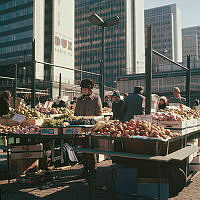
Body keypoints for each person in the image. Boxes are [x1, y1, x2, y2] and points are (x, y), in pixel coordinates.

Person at [74, 79, 102, 177]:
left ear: (90, 89)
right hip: (81, 128)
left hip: (91, 128)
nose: (84, 90)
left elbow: (99, 114)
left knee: (91, 149)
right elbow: (75, 114)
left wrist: (94, 124)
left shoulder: (96, 98)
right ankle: (85, 169)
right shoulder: (79, 99)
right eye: (83, 89)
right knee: (83, 149)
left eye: (86, 89)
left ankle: (93, 169)